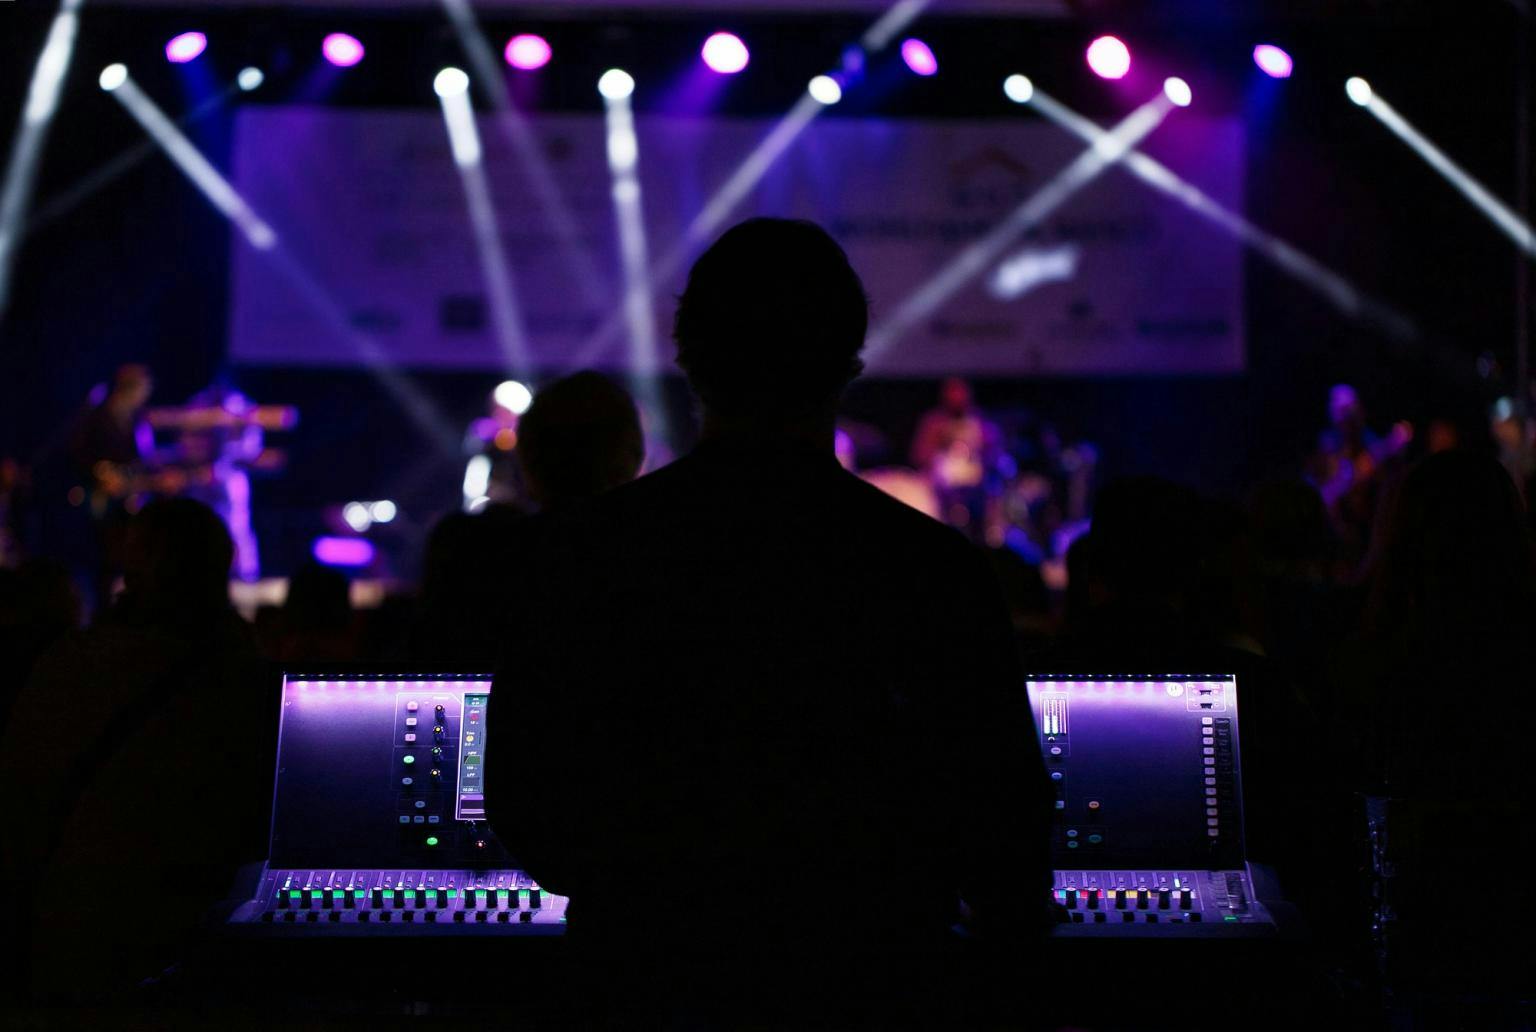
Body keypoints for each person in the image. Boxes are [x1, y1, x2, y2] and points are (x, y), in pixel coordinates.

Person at [487, 218, 1051, 1026]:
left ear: (688, 360)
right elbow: (1008, 835)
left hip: (640, 984)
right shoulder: (934, 569)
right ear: (849, 364)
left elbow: (527, 805)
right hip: (880, 989)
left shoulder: (584, 554)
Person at [910, 376, 1005, 542]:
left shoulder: (980, 422)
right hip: (941, 487)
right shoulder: (934, 423)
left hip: (976, 488)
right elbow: (920, 454)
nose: (957, 398)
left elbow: (995, 453)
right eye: (953, 393)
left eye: (961, 393)